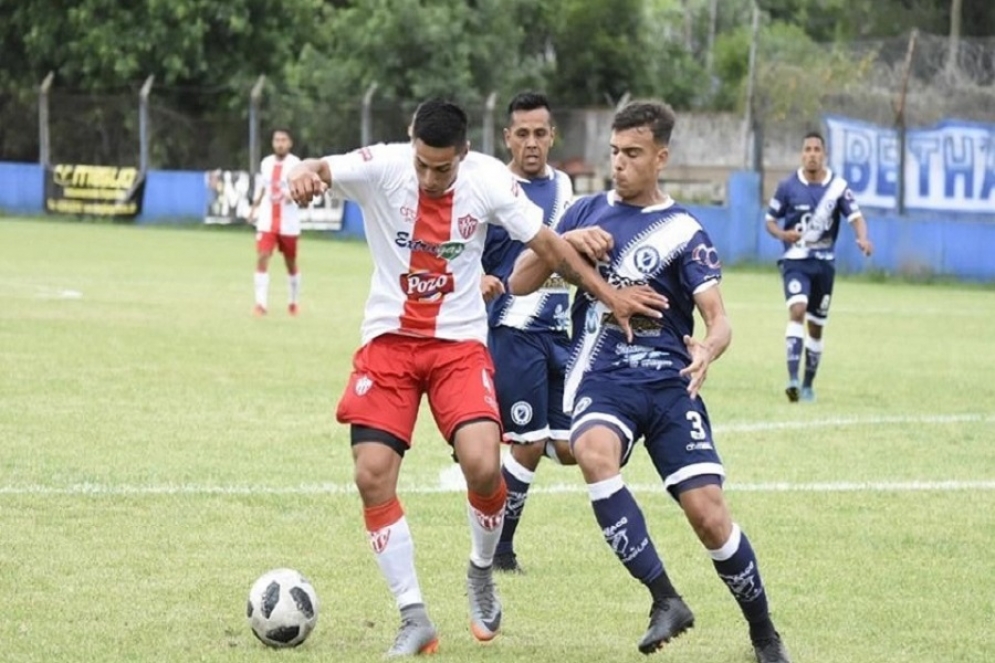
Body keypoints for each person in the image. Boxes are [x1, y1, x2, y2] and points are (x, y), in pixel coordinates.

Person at [286, 99, 668, 657]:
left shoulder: (488, 180)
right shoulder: (383, 166)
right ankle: (414, 617)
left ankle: (482, 570)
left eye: (442, 168)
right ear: (410, 144)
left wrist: (612, 298)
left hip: (459, 344)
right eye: (422, 164)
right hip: (389, 343)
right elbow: (320, 168)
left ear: (463, 155)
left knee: (485, 464)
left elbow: (550, 248)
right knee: (371, 475)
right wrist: (301, 172)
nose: (429, 177)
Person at [509, 100, 792, 663]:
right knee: (591, 451)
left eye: (633, 153)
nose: (620, 163)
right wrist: (568, 243)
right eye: (614, 152)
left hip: (667, 384)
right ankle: (665, 598)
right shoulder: (583, 210)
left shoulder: (684, 230)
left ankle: (764, 635)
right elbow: (520, 280)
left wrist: (708, 347)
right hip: (602, 376)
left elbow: (720, 316)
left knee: (709, 516)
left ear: (661, 157)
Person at [479, 92, 577, 574]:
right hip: (514, 330)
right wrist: (475, 278)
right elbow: (457, 248)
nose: (532, 142)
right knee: (530, 443)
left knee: (574, 448)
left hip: (562, 332)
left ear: (552, 135)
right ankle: (500, 549)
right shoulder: (490, 187)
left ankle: (489, 495)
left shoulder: (565, 187)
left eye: (540, 133)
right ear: (507, 137)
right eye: (522, 133)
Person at [765, 131, 873, 402]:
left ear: (824, 155)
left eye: (817, 149)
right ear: (802, 154)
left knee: (816, 326)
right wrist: (782, 235)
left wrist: (862, 238)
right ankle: (792, 379)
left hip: (824, 264)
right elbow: (770, 221)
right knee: (797, 310)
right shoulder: (788, 186)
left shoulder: (837, 187)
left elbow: (856, 217)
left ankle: (808, 384)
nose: (812, 153)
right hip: (795, 260)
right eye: (807, 149)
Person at [248, 128, 303, 316]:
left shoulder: (296, 164)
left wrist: (292, 194)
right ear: (273, 143)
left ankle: (293, 302)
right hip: (266, 220)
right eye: (277, 140)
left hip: (289, 222)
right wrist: (254, 208)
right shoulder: (266, 163)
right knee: (262, 256)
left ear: (290, 143)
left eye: (283, 140)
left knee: (290, 262)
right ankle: (260, 304)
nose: (280, 143)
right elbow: (262, 188)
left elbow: (303, 189)